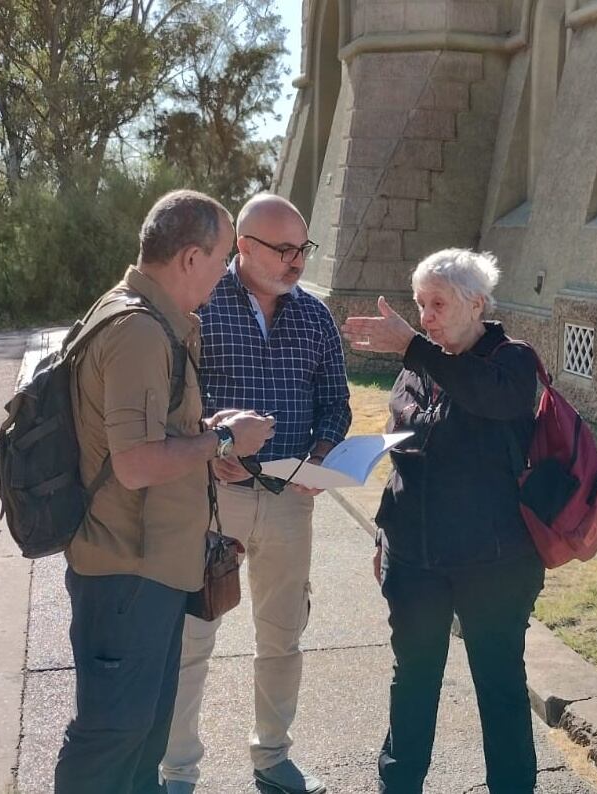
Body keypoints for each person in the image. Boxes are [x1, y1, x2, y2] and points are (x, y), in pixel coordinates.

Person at [55, 189, 276, 794]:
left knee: (144, 736)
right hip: (127, 572)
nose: (228, 272)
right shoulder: (139, 333)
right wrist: (225, 443)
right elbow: (133, 464)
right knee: (112, 737)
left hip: (149, 566)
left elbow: (148, 438)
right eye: (224, 256)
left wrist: (208, 436)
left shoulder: (144, 319)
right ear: (189, 258)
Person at [160, 194, 352, 794]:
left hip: (292, 499)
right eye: (283, 249)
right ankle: (178, 773)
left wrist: (321, 458)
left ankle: (272, 758)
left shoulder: (314, 317)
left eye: (302, 248)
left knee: (282, 636)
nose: (296, 261)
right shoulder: (199, 305)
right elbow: (169, 400)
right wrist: (210, 450)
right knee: (194, 636)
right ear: (242, 245)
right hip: (216, 500)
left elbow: (336, 404)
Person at [341, 248, 546, 794]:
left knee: (499, 687)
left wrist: (412, 345)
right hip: (418, 559)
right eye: (419, 304)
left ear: (476, 304)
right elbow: (404, 457)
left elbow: (486, 397)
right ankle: (398, 785)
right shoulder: (419, 368)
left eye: (437, 304)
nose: (425, 317)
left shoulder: (512, 360)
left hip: (494, 563)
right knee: (414, 679)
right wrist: (386, 532)